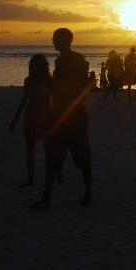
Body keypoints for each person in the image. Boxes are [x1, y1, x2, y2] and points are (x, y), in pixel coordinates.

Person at [31, 28, 93, 211]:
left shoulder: (75, 60)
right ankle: (47, 199)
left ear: (66, 40)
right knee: (55, 158)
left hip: (71, 116)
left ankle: (87, 193)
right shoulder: (62, 60)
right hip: (62, 114)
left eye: (55, 38)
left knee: (80, 158)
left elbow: (75, 89)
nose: (53, 41)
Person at [9, 54, 53, 188]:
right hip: (30, 117)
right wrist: (15, 120)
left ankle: (52, 175)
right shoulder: (28, 81)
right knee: (30, 150)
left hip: (45, 118)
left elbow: (54, 101)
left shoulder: (49, 81)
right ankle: (30, 179)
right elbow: (24, 101)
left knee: (48, 150)